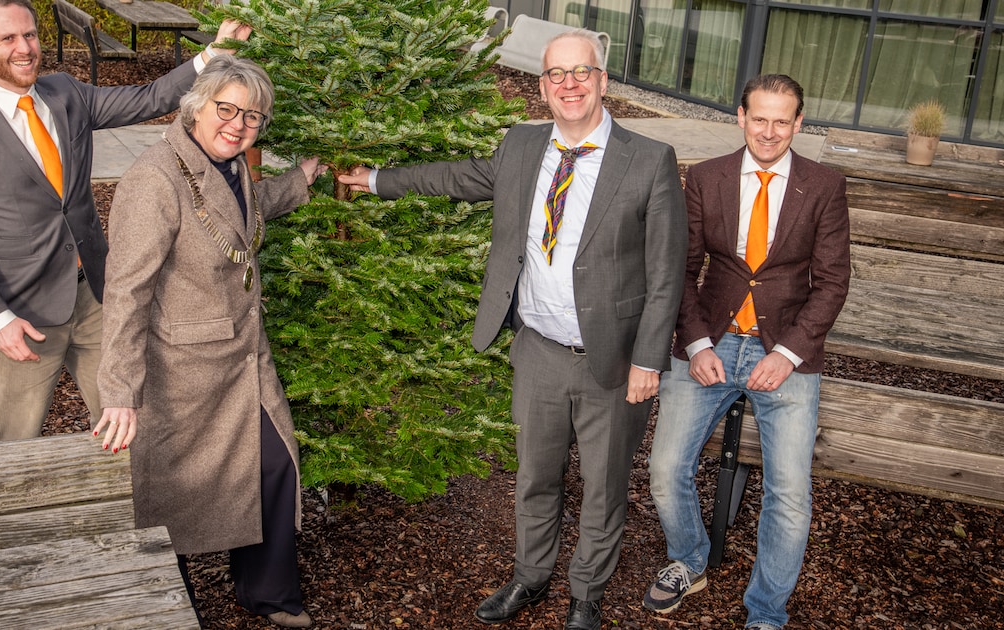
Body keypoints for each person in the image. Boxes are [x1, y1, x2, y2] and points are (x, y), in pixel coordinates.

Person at [338, 30, 686, 630]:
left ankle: (586, 595)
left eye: (582, 73)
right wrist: (374, 180)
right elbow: (458, 178)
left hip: (613, 357)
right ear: (543, 88)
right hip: (539, 353)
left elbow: (666, 273)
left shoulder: (649, 159)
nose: (569, 84)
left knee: (603, 489)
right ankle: (530, 576)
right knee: (534, 477)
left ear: (603, 81)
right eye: (556, 75)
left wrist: (648, 361)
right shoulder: (523, 145)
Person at [0, 0, 250, 442]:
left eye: (30, 35)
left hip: (97, 298)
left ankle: (128, 512)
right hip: (22, 313)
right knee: (13, 444)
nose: (25, 48)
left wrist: (212, 56)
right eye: (9, 39)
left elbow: (148, 98)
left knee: (134, 423)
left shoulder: (66, 94)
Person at [92, 55, 326, 628]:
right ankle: (161, 601)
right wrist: (120, 391)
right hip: (185, 371)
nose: (238, 124)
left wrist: (299, 182)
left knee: (274, 465)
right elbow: (126, 292)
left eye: (252, 116)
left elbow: (238, 216)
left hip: (245, 354)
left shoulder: (229, 164)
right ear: (196, 106)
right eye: (227, 109)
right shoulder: (155, 179)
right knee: (176, 493)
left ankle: (266, 592)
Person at [643, 74, 850, 630]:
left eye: (783, 120)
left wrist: (787, 353)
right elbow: (680, 271)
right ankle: (689, 560)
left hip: (783, 353)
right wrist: (695, 341)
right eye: (760, 118)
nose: (769, 131)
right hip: (710, 343)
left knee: (790, 494)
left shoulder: (824, 185)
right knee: (664, 469)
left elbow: (832, 282)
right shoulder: (706, 178)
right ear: (740, 116)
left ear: (799, 123)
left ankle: (766, 612)